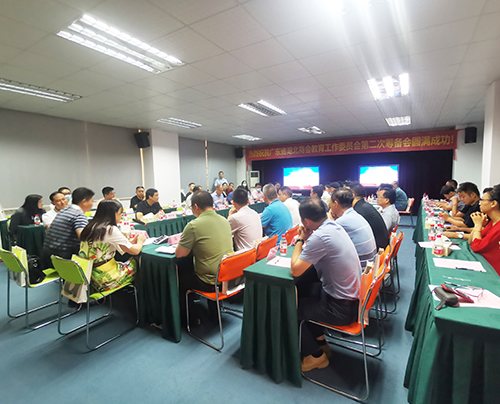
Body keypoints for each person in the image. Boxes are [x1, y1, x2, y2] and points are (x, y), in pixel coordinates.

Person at [291, 197, 360, 372]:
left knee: (290, 309)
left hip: (340, 308)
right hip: (350, 300)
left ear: (306, 221)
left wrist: (300, 239)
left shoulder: (320, 237)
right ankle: (321, 344)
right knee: (307, 292)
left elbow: (295, 270)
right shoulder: (334, 226)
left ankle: (315, 357)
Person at [175, 191, 233, 318]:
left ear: (196, 207)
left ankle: (192, 319)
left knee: (181, 278)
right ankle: (213, 311)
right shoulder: (224, 220)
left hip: (210, 282)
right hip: (228, 277)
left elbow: (179, 254)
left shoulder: (193, 225)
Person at [79, 200, 146, 292]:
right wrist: (140, 241)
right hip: (104, 279)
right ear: (112, 214)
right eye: (120, 213)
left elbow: (111, 243)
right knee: (137, 262)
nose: (121, 216)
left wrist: (131, 241)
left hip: (88, 275)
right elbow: (135, 251)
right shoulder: (110, 229)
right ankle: (138, 295)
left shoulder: (90, 226)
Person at [41, 187, 94, 270]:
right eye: (92, 201)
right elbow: (83, 237)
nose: (92, 204)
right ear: (84, 201)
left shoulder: (64, 210)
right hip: (63, 257)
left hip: (49, 254)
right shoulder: (78, 215)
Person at [330, 188, 377, 272]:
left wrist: (329, 221)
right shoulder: (356, 215)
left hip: (359, 271)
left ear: (336, 204)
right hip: (369, 267)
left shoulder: (341, 222)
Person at [469, 185, 500, 275]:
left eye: (482, 200)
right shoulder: (492, 222)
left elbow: (476, 246)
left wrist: (478, 225)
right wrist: (478, 226)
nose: (479, 203)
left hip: (494, 274)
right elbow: (471, 241)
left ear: (493, 203)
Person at [352, 185, 389, 249]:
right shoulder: (364, 205)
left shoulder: (359, 210)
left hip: (377, 249)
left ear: (353, 196)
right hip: (381, 245)